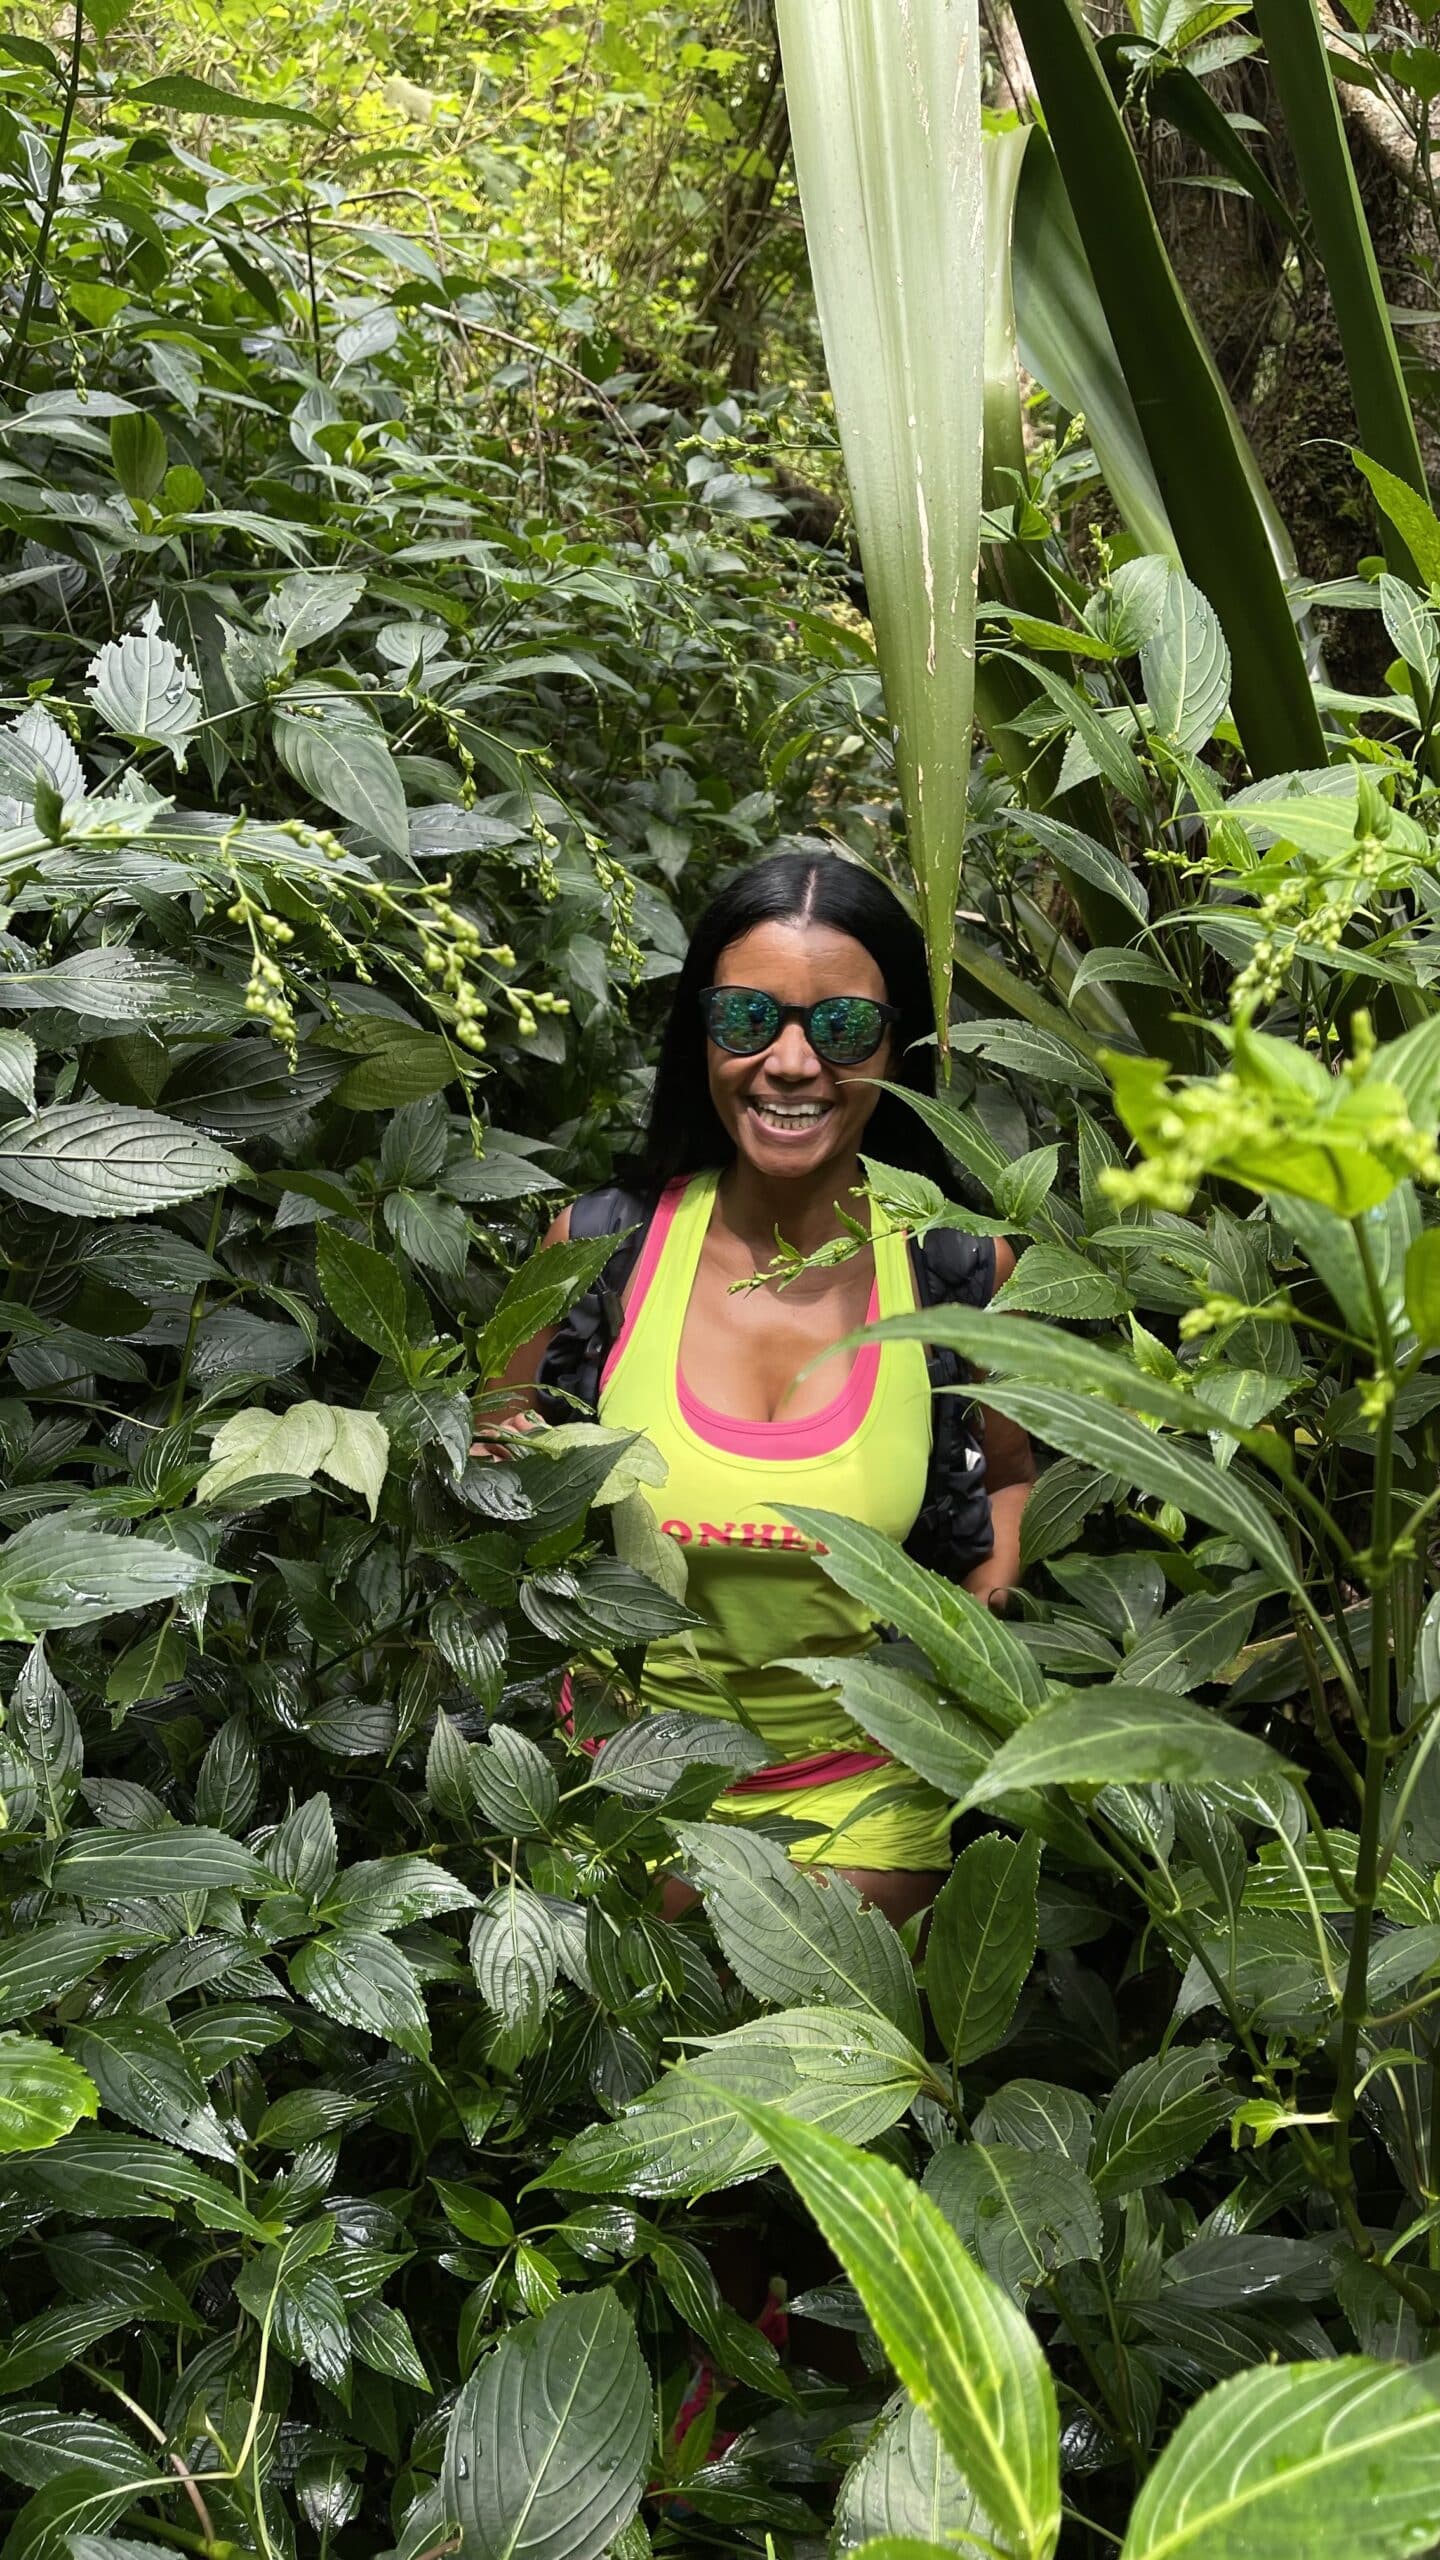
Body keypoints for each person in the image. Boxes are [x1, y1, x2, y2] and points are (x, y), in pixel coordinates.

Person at [490, 851, 1034, 1928]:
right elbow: (496, 1440)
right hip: (611, 1783)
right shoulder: (600, 1247)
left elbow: (1010, 1475)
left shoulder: (961, 1272)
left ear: (899, 1049)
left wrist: (982, 1632)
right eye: (747, 1018)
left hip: (865, 1796)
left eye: (840, 1029)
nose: (790, 1062)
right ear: (701, 1034)